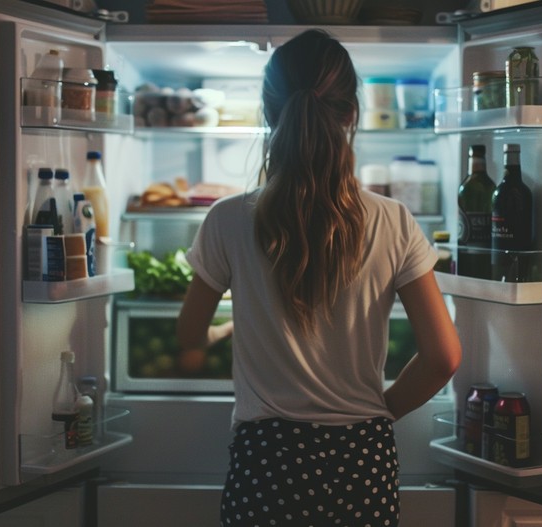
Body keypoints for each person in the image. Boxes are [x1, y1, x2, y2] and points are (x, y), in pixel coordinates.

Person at [177, 28, 461, 527]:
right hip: (361, 458)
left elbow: (188, 335)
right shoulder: (393, 221)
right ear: (351, 114)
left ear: (269, 113)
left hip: (266, 457)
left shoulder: (227, 218)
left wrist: (229, 355)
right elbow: (443, 357)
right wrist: (379, 412)